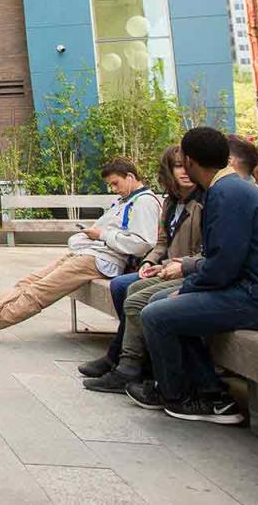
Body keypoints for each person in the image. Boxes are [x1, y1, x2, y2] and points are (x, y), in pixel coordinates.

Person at [126, 127, 258, 423]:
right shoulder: (228, 188)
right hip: (255, 290)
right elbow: (222, 260)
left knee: (157, 314)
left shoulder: (228, 194)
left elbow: (222, 266)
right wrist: (189, 283)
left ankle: (179, 396)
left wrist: (187, 289)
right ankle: (211, 392)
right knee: (161, 301)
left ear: (188, 161)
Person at [0, 158, 159, 339]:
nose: (114, 189)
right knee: (29, 282)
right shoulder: (124, 201)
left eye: (115, 184)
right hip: (88, 253)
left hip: (102, 261)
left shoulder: (144, 203)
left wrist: (101, 234)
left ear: (130, 177)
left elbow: (142, 242)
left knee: (40, 291)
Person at [80, 145, 204, 392]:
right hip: (168, 266)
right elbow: (161, 243)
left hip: (187, 270)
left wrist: (170, 265)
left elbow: (204, 253)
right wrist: (150, 261)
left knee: (136, 295)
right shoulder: (171, 202)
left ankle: (127, 363)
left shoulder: (204, 201)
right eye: (178, 166)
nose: (185, 171)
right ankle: (123, 355)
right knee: (120, 285)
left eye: (188, 165)